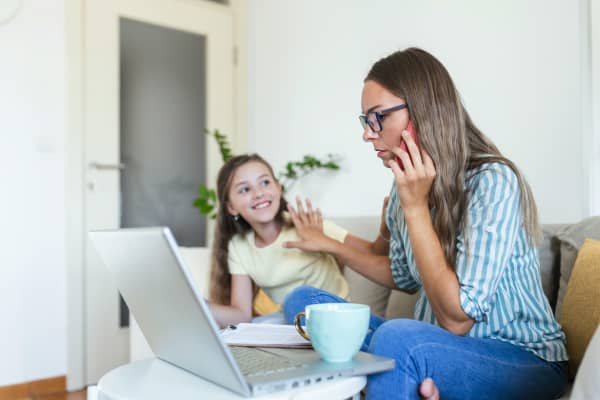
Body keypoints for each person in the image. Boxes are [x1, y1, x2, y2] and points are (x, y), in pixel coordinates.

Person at [282, 48, 568, 400]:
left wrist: (416, 208)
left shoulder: (493, 181)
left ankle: (408, 366)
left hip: (523, 359)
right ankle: (412, 373)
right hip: (438, 347)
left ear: (421, 113)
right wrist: (332, 243)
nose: (368, 134)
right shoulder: (402, 180)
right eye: (365, 121)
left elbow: (457, 320)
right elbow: (402, 275)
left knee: (399, 339)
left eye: (377, 118)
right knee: (305, 306)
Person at [206, 153, 350, 328]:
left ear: (278, 188)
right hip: (295, 325)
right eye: (245, 189)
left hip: (339, 319)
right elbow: (241, 315)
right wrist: (201, 305)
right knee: (269, 320)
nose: (258, 193)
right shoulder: (239, 245)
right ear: (231, 207)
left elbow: (369, 252)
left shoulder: (306, 224)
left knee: (299, 298)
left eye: (265, 182)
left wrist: (384, 232)